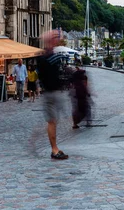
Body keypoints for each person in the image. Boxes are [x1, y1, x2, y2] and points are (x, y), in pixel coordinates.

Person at [38, 30, 69, 160]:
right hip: (50, 93)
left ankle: (55, 148)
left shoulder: (49, 55)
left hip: (53, 92)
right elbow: (47, 77)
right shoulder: (46, 57)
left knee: (54, 121)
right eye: (55, 38)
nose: (57, 40)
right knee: (52, 122)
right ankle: (54, 150)